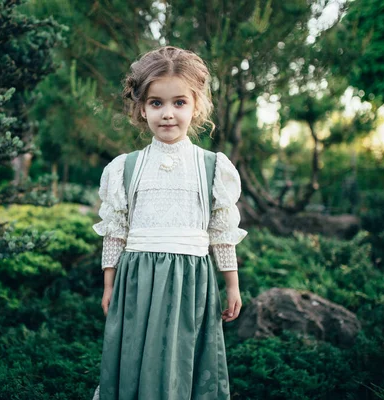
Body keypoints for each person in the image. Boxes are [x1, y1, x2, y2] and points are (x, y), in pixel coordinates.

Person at [91, 46, 248, 400]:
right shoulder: (125, 168)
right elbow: (116, 229)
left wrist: (232, 285)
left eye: (179, 103)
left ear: (196, 106)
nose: (167, 114)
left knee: (181, 360)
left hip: (190, 281)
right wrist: (109, 283)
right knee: (137, 355)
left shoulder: (212, 167)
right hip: (138, 280)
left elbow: (221, 231)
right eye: (156, 103)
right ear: (141, 108)